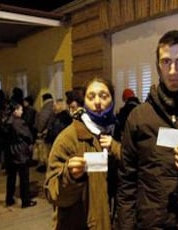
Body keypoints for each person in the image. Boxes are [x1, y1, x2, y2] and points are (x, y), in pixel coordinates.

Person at [116, 30, 178, 229]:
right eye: (166, 61)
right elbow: (126, 182)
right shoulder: (139, 116)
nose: (173, 70)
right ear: (158, 66)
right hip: (151, 223)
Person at [44, 77, 121, 229]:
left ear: (112, 99)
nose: (97, 102)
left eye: (104, 96)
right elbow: (52, 193)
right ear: (84, 102)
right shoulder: (69, 137)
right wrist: (70, 176)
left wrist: (116, 148)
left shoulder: (119, 131)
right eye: (91, 97)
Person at [3, 102, 37, 209]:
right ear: (15, 111)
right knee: (24, 178)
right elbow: (28, 135)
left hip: (10, 152)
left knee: (11, 178)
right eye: (20, 110)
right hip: (20, 152)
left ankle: (9, 199)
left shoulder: (6, 121)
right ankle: (25, 201)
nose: (22, 112)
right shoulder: (18, 123)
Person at [35, 93, 54, 172]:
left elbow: (42, 119)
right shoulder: (53, 105)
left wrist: (40, 130)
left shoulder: (46, 107)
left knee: (45, 152)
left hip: (46, 133)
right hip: (51, 132)